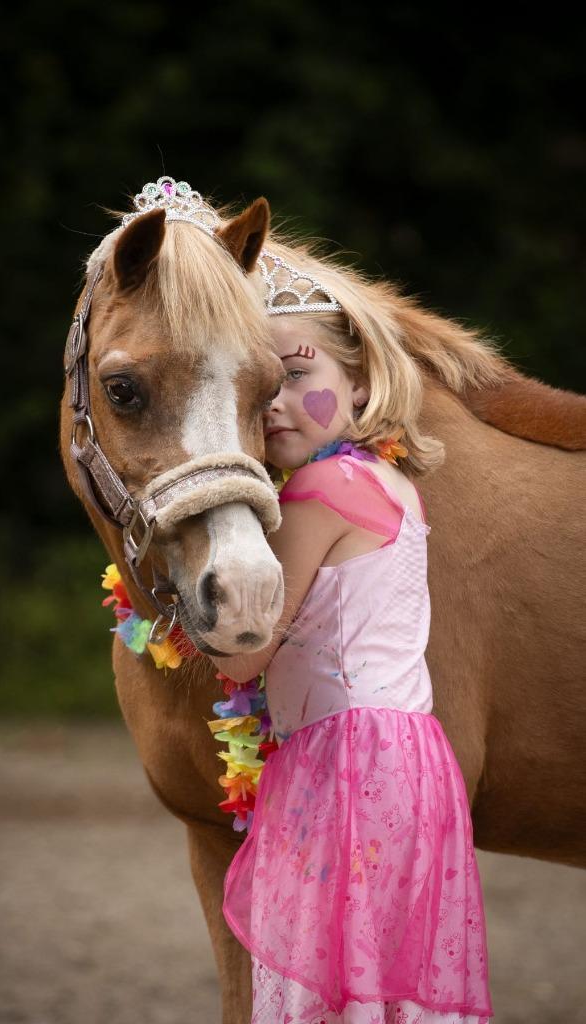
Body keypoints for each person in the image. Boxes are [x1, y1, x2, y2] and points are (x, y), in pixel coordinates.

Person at [218, 244, 494, 1024]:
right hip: (410, 756)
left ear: (363, 385)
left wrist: (171, 597)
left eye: (299, 377)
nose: (276, 401)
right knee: (377, 980)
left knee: (331, 987)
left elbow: (246, 649)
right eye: (264, 384)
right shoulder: (389, 480)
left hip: (349, 761)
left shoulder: (320, 485)